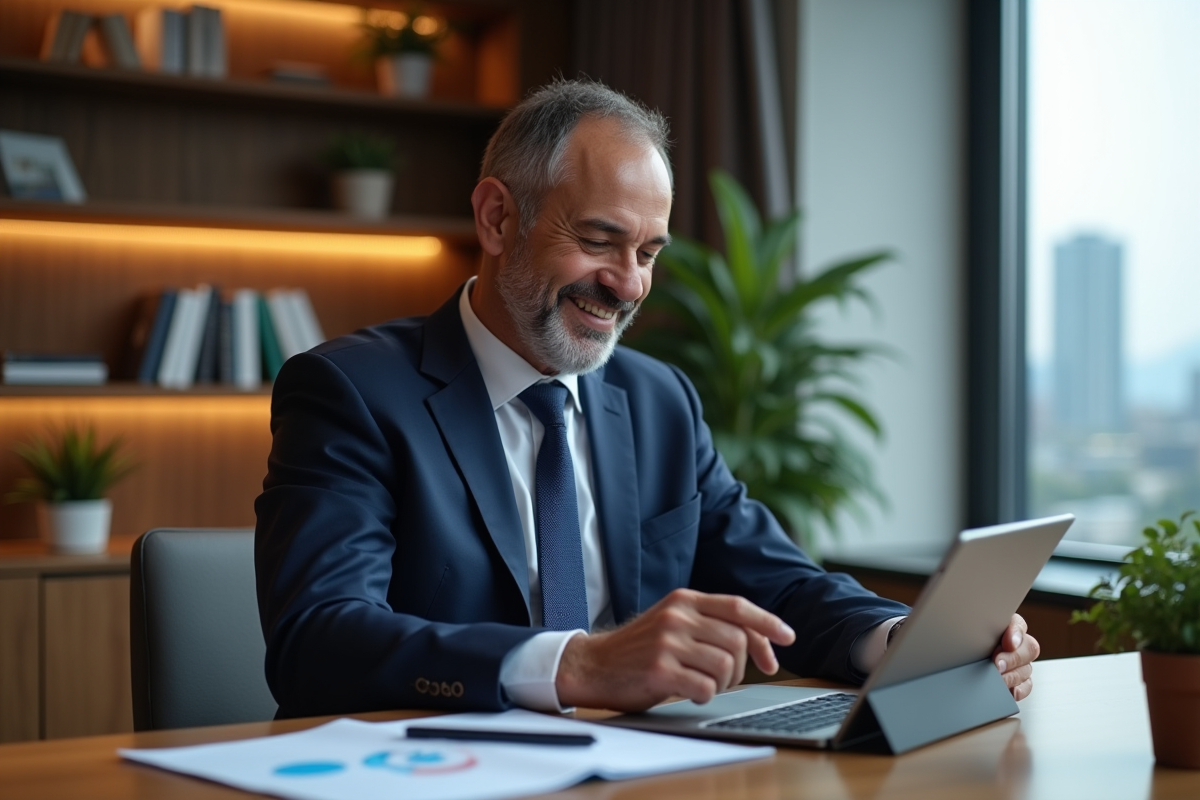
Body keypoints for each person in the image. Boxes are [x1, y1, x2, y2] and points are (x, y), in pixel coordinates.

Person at [254, 79, 1040, 718]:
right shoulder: (351, 390)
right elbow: (319, 640)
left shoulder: (660, 399)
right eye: (598, 241)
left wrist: (902, 639)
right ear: (498, 218)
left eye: (648, 252)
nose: (628, 285)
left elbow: (778, 582)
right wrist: (579, 665)